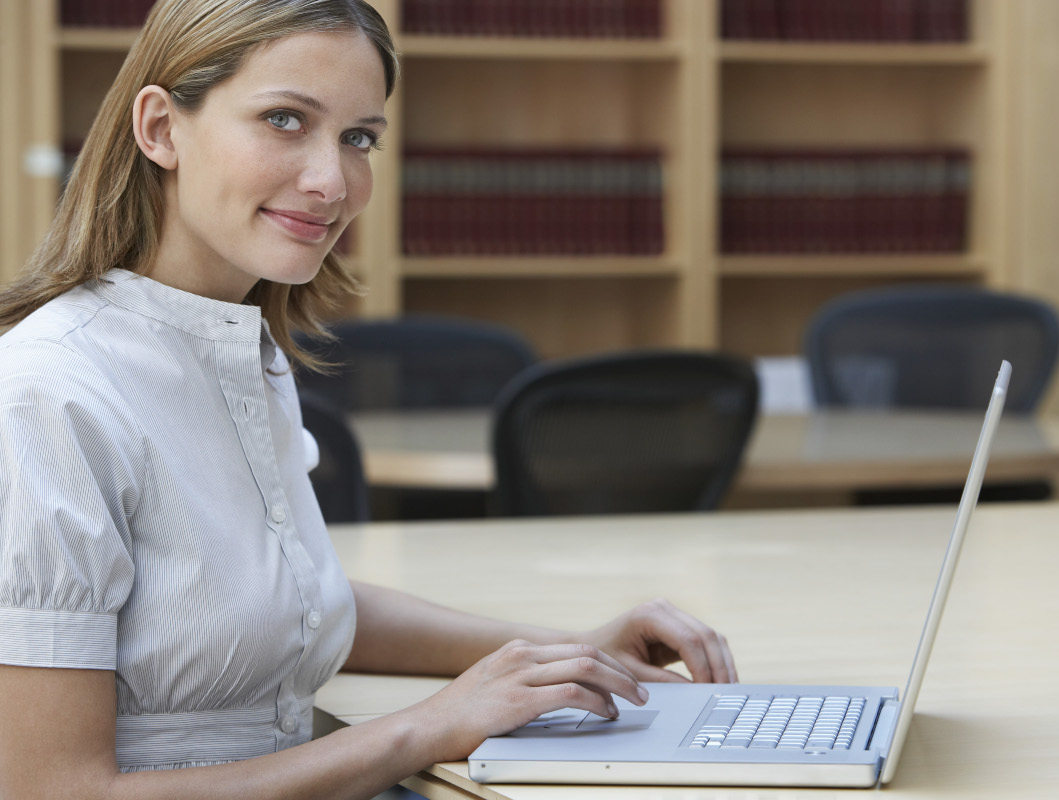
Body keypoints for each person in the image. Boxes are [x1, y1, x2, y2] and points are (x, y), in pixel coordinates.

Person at [0, 1, 737, 797]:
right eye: (284, 119)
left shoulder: (241, 349)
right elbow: (56, 790)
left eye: (359, 138)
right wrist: (430, 724)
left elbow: (282, 600)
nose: (332, 182)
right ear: (160, 129)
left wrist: (569, 650)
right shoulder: (49, 395)